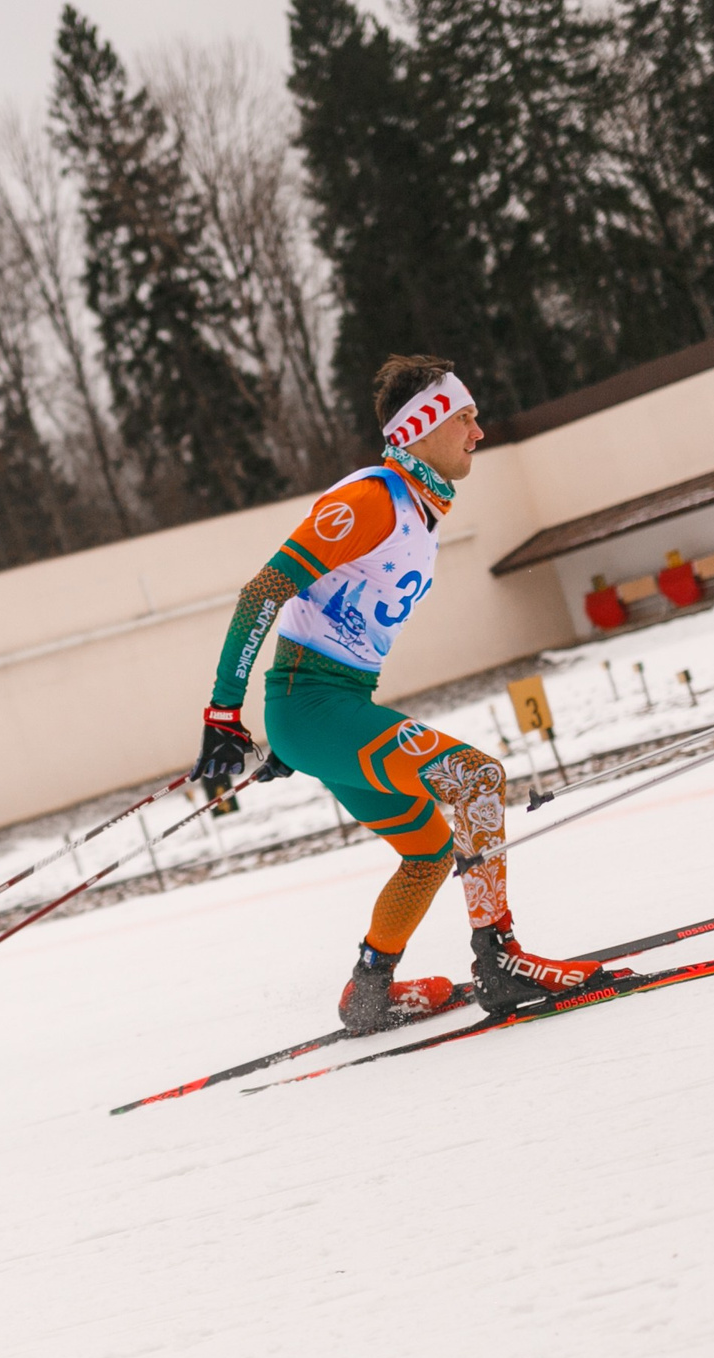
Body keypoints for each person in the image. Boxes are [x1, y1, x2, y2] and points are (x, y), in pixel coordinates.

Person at [193, 354, 604, 1033]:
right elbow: (263, 591)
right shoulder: (371, 500)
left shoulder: (416, 508)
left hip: (330, 710)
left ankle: (369, 992)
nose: (479, 432)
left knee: (428, 851)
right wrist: (223, 711)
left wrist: (301, 739)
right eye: (466, 418)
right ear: (424, 426)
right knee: (476, 781)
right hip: (313, 705)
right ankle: (500, 959)